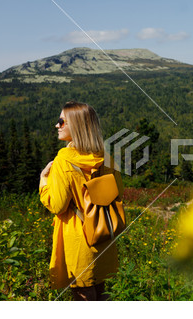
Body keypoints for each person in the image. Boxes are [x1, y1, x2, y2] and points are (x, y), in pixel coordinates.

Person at [39, 101, 123, 301]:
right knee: (101, 289)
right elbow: (118, 191)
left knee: (83, 293)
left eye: (61, 121)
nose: (57, 125)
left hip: (78, 237)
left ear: (76, 126)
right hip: (103, 232)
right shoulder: (106, 157)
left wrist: (43, 181)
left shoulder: (64, 161)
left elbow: (57, 205)